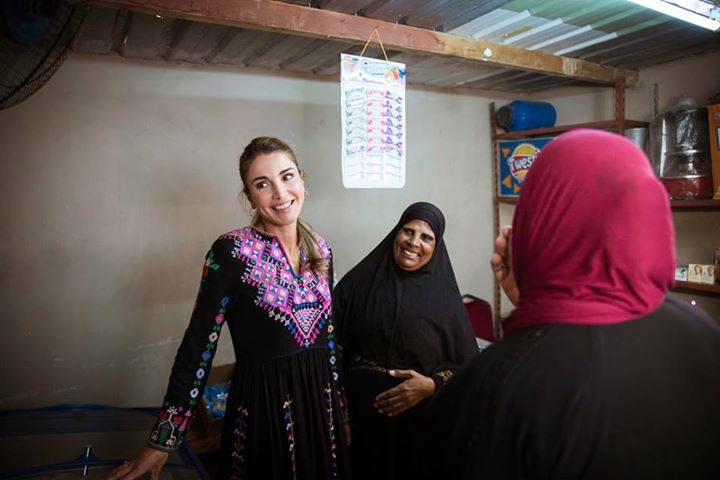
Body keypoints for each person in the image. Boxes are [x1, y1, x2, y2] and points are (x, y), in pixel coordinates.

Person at [434, 129, 720, 478]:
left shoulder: (497, 383)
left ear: (537, 222)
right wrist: (541, 305)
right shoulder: (704, 335)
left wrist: (541, 318)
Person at [108, 137, 350, 480]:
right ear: (249, 196)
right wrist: (164, 438)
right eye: (262, 184)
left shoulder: (321, 250)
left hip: (320, 412)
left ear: (302, 179)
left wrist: (341, 412)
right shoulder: (231, 253)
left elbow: (330, 340)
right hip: (265, 414)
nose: (280, 193)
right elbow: (198, 346)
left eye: (287, 177)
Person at [333, 202, 478, 480]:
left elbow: (469, 367)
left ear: (437, 246)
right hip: (361, 418)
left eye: (426, 237)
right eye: (408, 231)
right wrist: (340, 414)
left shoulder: (445, 300)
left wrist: (432, 385)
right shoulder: (358, 284)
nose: (413, 242)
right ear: (396, 233)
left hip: (418, 425)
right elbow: (329, 345)